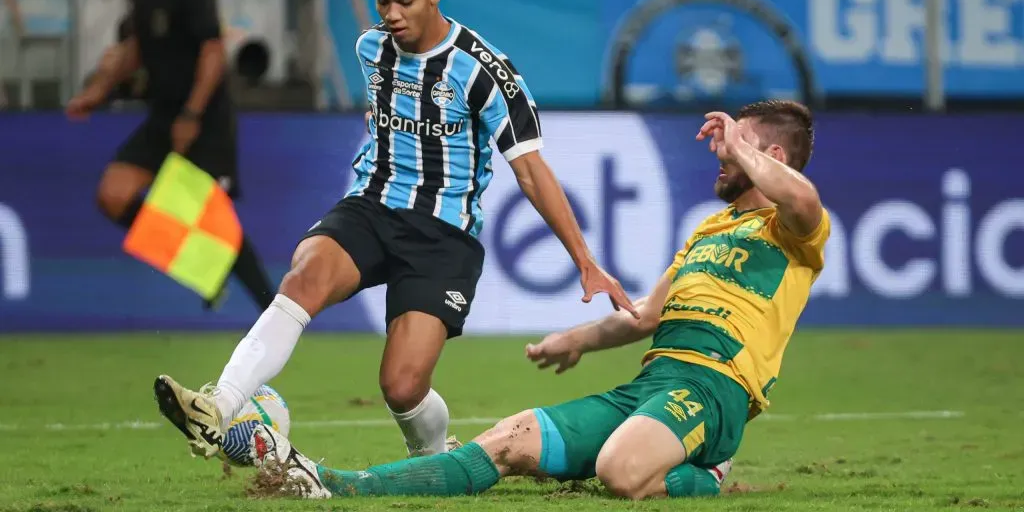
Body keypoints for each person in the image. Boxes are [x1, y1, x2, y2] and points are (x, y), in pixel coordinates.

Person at [151, 0, 636, 463]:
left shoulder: (484, 72)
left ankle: (434, 459)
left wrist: (585, 262)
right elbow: (385, 110)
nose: (392, 14)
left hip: (442, 235)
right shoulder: (371, 49)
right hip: (372, 206)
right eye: (383, 1)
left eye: (405, 1)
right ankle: (218, 407)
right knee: (302, 278)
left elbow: (533, 175)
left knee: (402, 386)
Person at [244, 100, 830, 501]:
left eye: (739, 146)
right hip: (653, 384)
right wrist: (575, 339)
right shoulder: (707, 232)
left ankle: (707, 475)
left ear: (773, 159)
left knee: (620, 473)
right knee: (507, 440)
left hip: (713, 389)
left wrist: (742, 145)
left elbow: (800, 197)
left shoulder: (796, 228)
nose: (721, 152)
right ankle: (334, 483)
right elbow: (647, 318)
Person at [65, 0, 274, 312]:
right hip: (164, 115)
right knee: (113, 194)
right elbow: (137, 47)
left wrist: (192, 115)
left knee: (215, 221)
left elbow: (213, 53)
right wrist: (97, 91)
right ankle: (202, 268)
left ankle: (272, 309)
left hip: (204, 116)